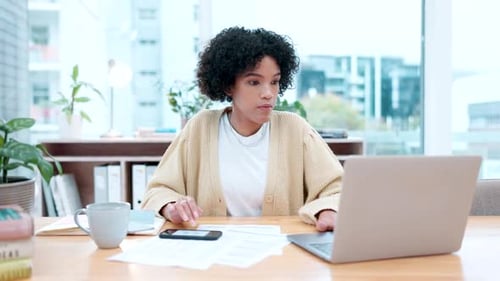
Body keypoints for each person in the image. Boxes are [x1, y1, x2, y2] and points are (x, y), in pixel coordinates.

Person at [141, 26, 343, 232]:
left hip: (282, 255)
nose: (268, 93)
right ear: (229, 85)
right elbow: (157, 192)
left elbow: (338, 189)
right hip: (212, 254)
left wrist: (328, 210)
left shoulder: (295, 129)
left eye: (274, 82)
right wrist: (172, 207)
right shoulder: (200, 127)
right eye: (254, 82)